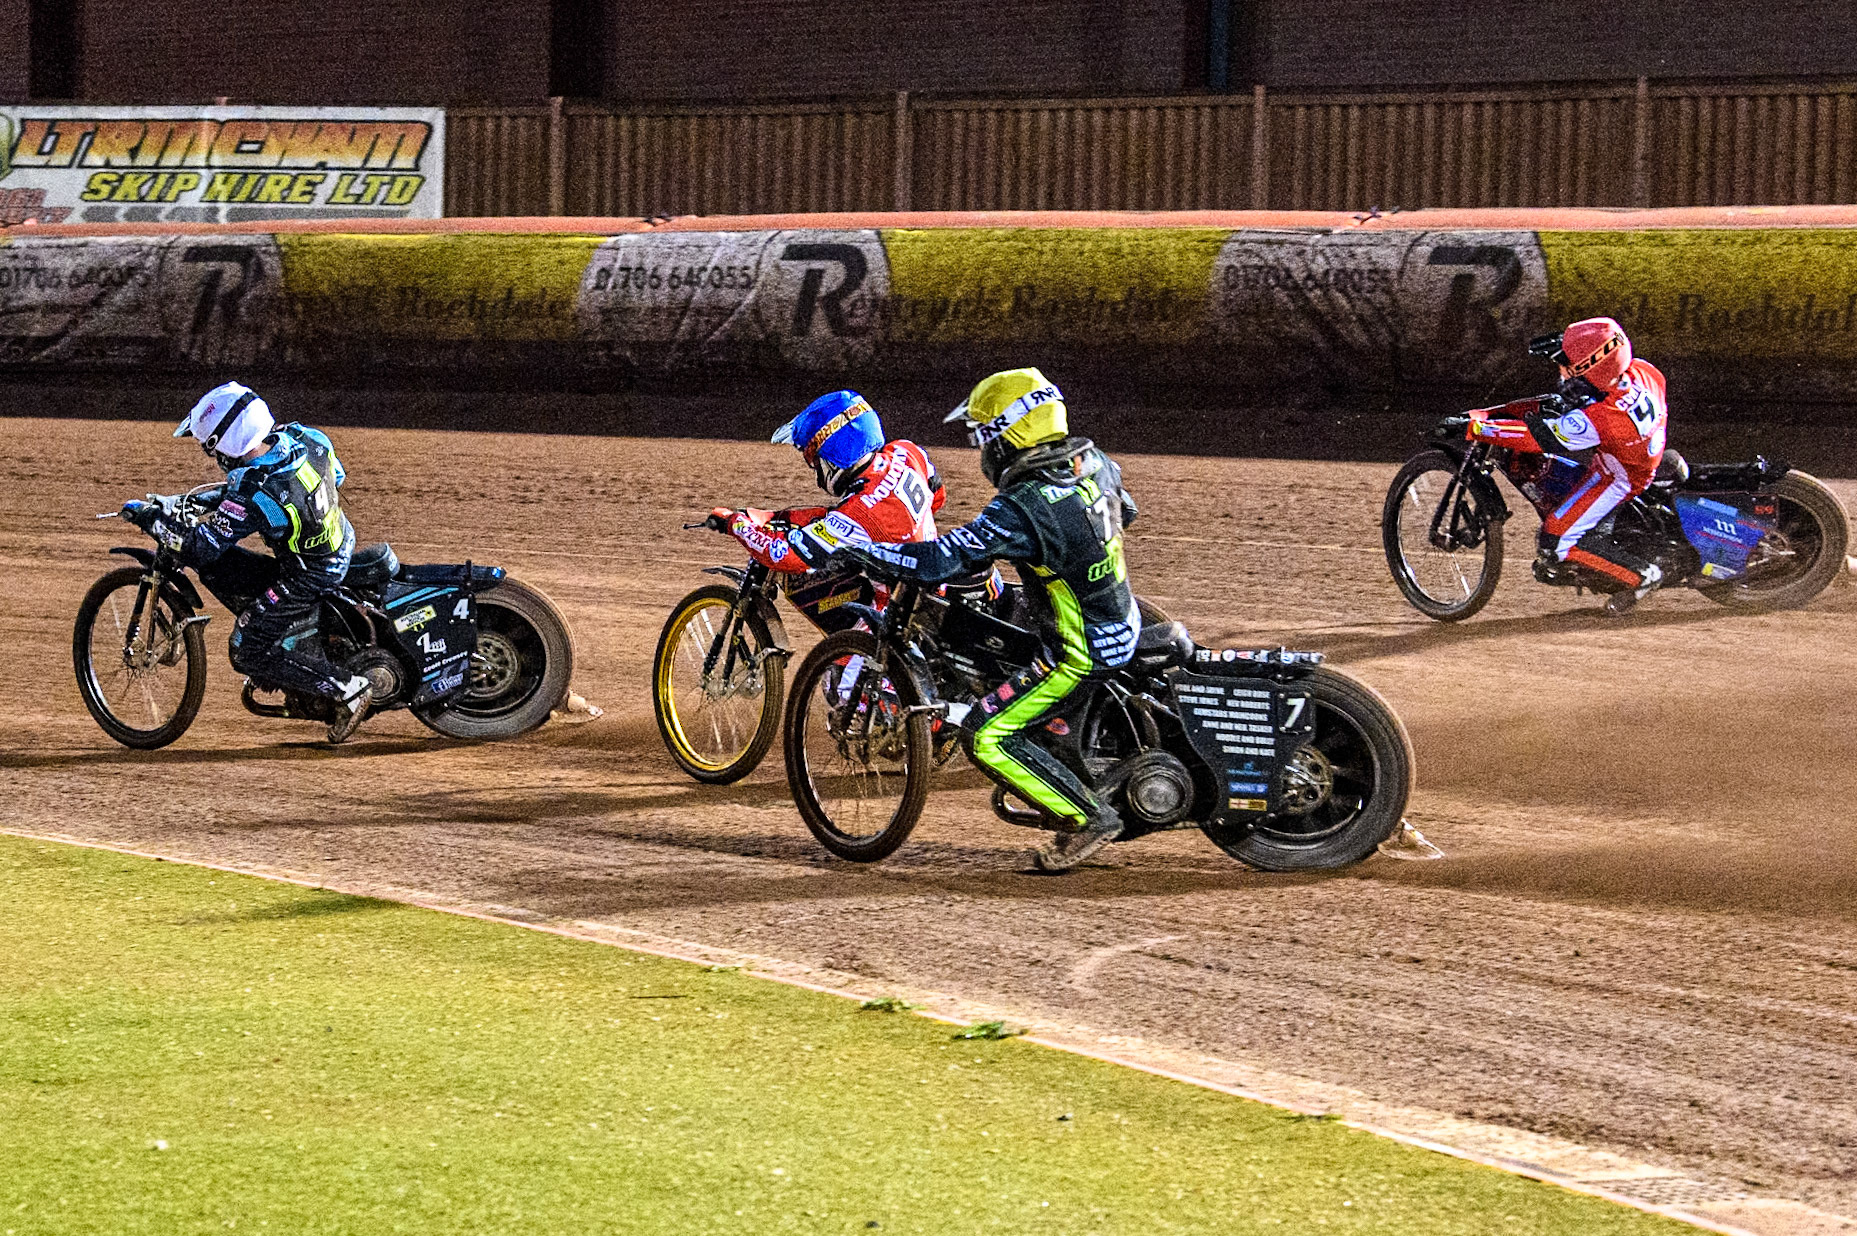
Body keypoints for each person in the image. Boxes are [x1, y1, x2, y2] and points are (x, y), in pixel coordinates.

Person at [842, 368, 1141, 873]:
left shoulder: (1024, 504)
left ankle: (1089, 817)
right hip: (1121, 616)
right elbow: (1125, 513)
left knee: (985, 733)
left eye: (985, 435)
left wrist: (869, 554)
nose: (984, 449)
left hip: (1079, 651)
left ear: (1012, 433)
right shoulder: (1093, 462)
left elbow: (943, 560)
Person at [122, 382, 372, 743]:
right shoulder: (307, 438)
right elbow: (336, 476)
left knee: (246, 648)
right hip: (341, 542)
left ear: (223, 445)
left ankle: (346, 688)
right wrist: (200, 500)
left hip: (309, 574)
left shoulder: (255, 492)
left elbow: (202, 549)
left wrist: (151, 520)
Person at [1467, 316, 1669, 613]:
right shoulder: (1642, 371)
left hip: (1619, 477)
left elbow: (1540, 439)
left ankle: (1642, 575)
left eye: (1569, 366)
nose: (1561, 372)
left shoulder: (1603, 418)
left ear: (1594, 368)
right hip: (1637, 453)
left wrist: (1479, 429)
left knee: (1556, 542)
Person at [709, 389, 946, 572]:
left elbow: (781, 553)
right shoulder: (907, 452)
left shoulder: (858, 512)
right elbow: (937, 497)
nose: (815, 469)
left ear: (831, 457)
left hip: (893, 613)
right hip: (928, 576)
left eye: (813, 459)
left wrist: (735, 523)